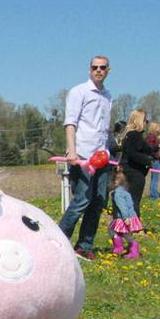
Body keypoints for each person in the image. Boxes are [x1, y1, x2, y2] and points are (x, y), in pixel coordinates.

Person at [57, 56, 114, 260]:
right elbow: (70, 123)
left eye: (102, 67)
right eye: (94, 67)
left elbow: (104, 129)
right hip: (82, 155)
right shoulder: (78, 92)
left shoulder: (107, 96)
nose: (98, 70)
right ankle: (59, 242)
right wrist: (72, 152)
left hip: (102, 157)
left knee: (97, 202)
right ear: (89, 69)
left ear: (108, 70)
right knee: (82, 200)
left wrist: (108, 151)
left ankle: (84, 246)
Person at [119, 109, 154, 217]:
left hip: (127, 169)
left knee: (126, 199)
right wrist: (148, 160)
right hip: (134, 171)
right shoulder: (135, 135)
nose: (146, 123)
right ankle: (134, 225)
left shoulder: (129, 135)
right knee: (134, 199)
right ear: (139, 120)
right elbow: (133, 153)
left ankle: (123, 223)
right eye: (145, 120)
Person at [109, 167, 144, 259]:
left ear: (116, 182)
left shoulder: (118, 194)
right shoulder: (125, 191)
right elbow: (131, 204)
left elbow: (122, 206)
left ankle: (128, 248)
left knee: (122, 233)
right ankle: (126, 247)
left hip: (123, 217)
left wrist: (125, 218)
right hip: (130, 216)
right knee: (115, 230)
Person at [146, 121, 160, 200]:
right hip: (155, 160)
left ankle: (154, 194)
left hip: (156, 159)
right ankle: (154, 196)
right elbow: (151, 149)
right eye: (159, 127)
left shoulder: (153, 137)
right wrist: (159, 150)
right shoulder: (152, 137)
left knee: (155, 178)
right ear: (155, 127)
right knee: (155, 178)